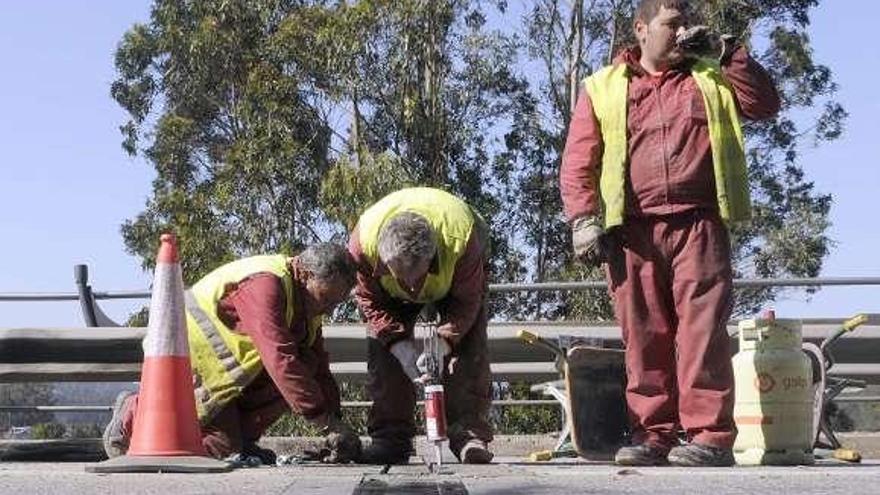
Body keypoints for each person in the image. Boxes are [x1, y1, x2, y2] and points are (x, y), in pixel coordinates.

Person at [560, 0, 780, 467]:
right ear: (642, 29)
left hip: (699, 223)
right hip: (632, 231)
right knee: (643, 336)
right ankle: (652, 435)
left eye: (687, 24)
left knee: (702, 333)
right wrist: (582, 219)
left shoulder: (711, 75)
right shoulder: (602, 88)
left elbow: (765, 103)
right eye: (672, 24)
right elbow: (579, 160)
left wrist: (726, 51)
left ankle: (710, 438)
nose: (682, 33)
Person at [102, 243, 362, 464]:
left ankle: (241, 438)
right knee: (220, 450)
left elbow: (318, 370)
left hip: (226, 376)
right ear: (305, 274)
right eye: (326, 299)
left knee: (306, 362)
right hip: (187, 362)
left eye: (335, 304)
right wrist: (325, 422)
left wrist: (337, 422)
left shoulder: (306, 306)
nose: (327, 310)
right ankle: (133, 413)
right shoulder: (265, 285)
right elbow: (279, 358)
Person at [348, 187, 494, 465]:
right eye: (402, 279)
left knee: (471, 348)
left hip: (459, 282)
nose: (414, 290)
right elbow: (369, 301)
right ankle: (390, 440)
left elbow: (467, 302)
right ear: (384, 259)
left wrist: (444, 342)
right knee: (383, 353)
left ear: (433, 255)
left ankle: (469, 435)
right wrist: (400, 348)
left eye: (418, 277)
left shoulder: (461, 240)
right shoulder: (361, 248)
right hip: (386, 297)